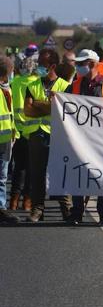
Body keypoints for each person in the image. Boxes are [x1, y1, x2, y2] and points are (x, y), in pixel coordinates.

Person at [66, 49, 103, 226]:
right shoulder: (75, 85)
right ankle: (77, 212)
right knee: (78, 173)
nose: (79, 67)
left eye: (82, 64)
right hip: (80, 138)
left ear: (93, 64)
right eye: (78, 64)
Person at [22, 48, 71, 223]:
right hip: (37, 135)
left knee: (61, 172)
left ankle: (66, 208)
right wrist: (49, 104)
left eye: (42, 64)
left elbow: (64, 111)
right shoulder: (32, 85)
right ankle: (37, 209)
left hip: (58, 137)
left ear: (53, 66)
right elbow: (28, 110)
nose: (38, 67)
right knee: (37, 174)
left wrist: (39, 105)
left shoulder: (65, 86)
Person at [9, 52, 38, 212]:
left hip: (17, 131)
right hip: (33, 131)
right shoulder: (37, 83)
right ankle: (27, 202)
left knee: (19, 168)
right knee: (32, 169)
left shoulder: (15, 82)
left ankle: (13, 201)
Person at [0, 55, 19, 225]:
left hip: (5, 140)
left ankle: (1, 208)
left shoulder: (8, 89)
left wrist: (14, 134)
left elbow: (9, 115)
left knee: (2, 176)